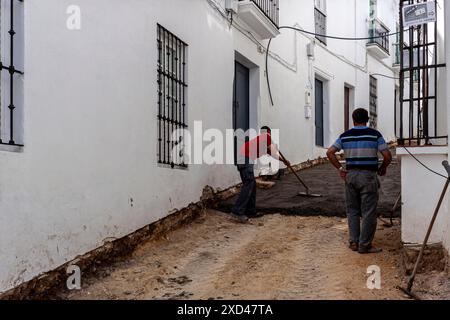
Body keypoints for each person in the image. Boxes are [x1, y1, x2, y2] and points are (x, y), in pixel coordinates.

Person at [327, 108, 392, 254]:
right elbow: (387, 155)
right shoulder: (374, 135)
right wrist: (382, 168)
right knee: (368, 211)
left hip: (350, 176)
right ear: (367, 119)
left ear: (353, 120)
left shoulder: (345, 136)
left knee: (352, 211)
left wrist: (340, 168)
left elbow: (330, 152)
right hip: (368, 176)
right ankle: (365, 245)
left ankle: (354, 242)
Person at [231, 126, 290, 223]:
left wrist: (283, 160)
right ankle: (237, 212)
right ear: (268, 132)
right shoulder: (266, 136)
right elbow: (273, 149)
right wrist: (274, 146)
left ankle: (250, 211)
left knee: (252, 184)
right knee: (249, 184)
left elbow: (274, 154)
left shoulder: (262, 143)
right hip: (245, 159)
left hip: (243, 159)